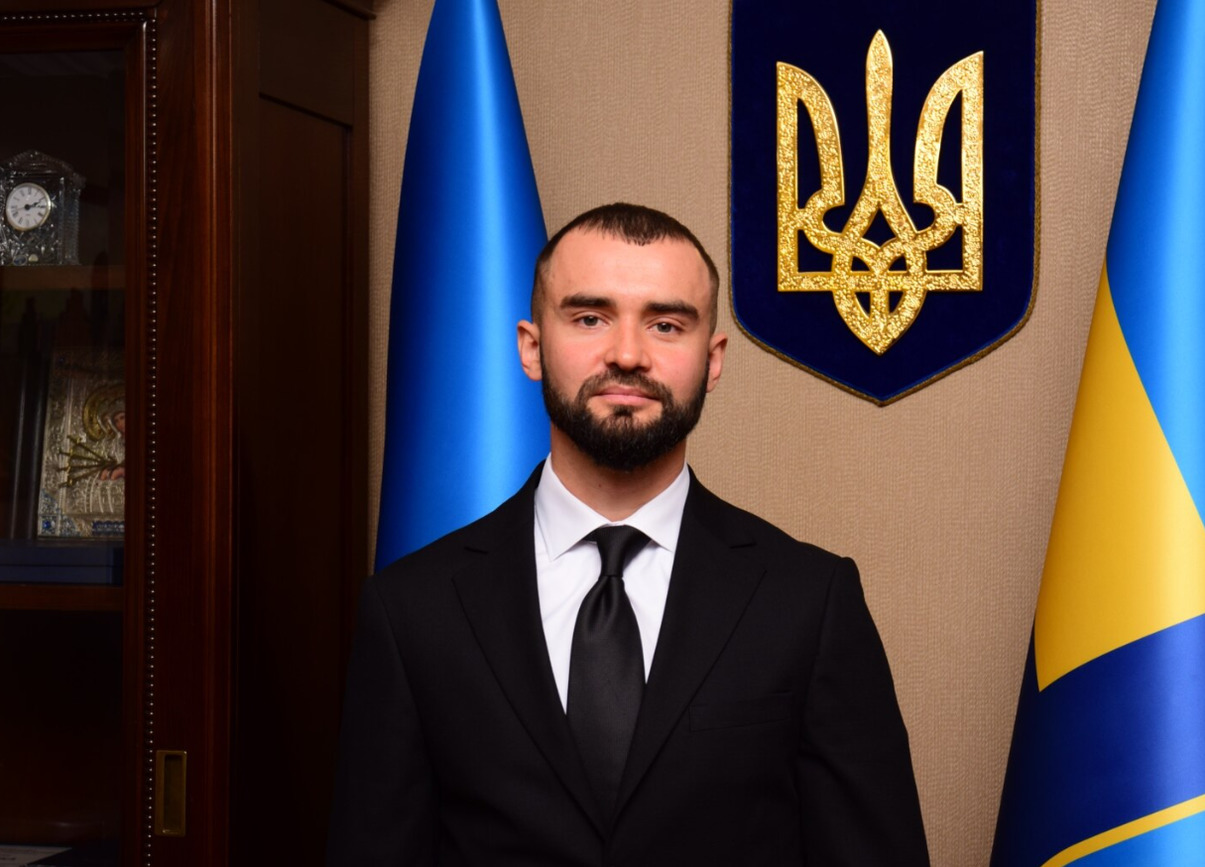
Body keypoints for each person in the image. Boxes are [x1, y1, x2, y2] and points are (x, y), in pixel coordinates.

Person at [327, 203, 929, 866]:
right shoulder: (411, 610)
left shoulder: (810, 601)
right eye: (590, 318)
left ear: (712, 359)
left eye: (666, 325)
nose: (626, 355)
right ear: (531, 347)